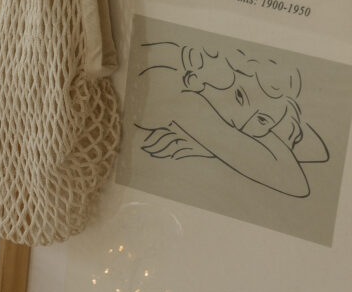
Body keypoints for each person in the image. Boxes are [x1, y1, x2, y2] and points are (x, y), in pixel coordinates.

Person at [133, 41, 329, 198]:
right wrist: (226, 146)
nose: (242, 122)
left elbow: (317, 149)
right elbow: (293, 181)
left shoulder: (208, 84)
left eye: (262, 120)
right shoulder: (182, 93)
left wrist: (210, 148)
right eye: (239, 97)